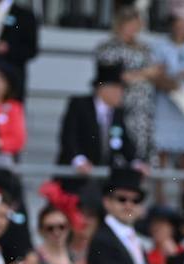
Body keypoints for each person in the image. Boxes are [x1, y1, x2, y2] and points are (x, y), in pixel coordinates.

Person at [57, 63, 142, 195]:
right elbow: (68, 136)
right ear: (104, 88)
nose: (121, 94)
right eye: (118, 89)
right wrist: (79, 159)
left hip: (103, 179)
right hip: (76, 178)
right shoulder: (79, 105)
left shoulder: (117, 112)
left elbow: (124, 141)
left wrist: (135, 161)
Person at [95, 6, 157, 163]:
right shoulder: (108, 47)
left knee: (141, 147)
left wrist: (139, 75)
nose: (134, 29)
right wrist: (143, 74)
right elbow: (113, 75)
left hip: (142, 107)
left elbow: (155, 72)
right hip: (120, 103)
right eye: (130, 24)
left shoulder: (144, 48)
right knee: (119, 143)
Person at [151, 11, 184, 175]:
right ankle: (160, 195)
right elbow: (157, 77)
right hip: (167, 103)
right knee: (162, 150)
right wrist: (173, 81)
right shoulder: (160, 47)